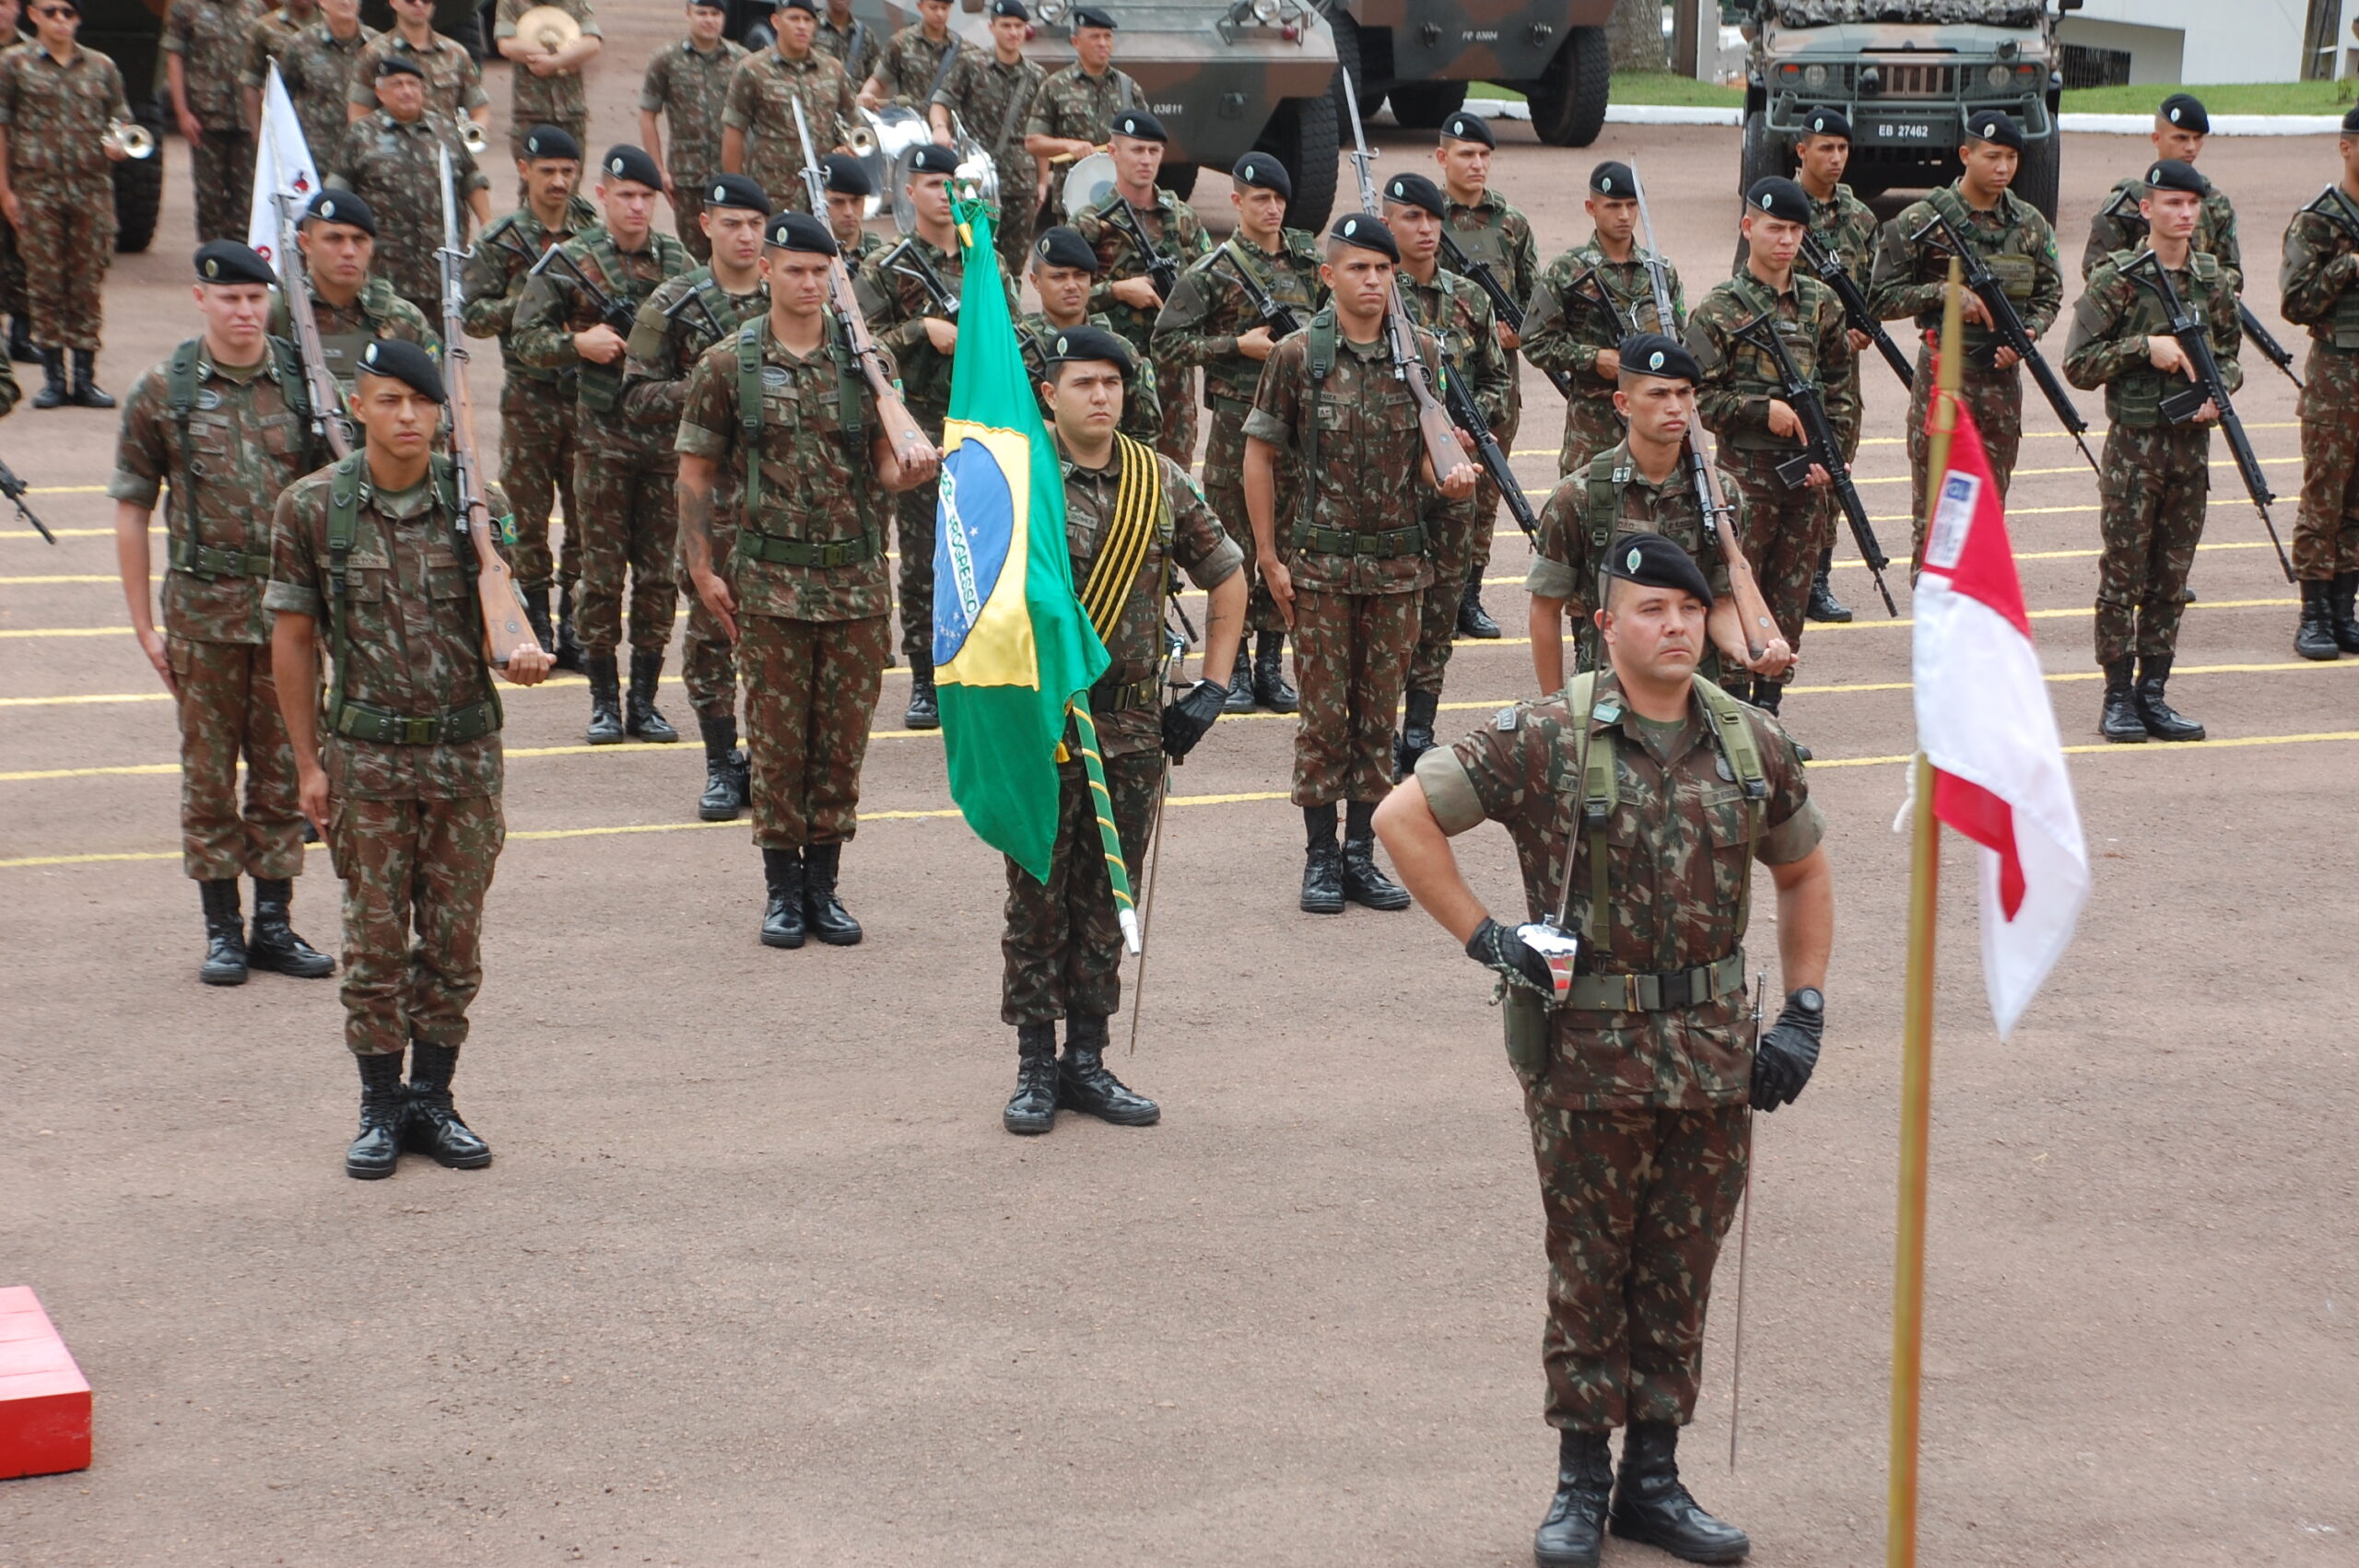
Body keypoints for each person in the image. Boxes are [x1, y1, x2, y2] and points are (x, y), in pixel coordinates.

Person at [1373, 531, 1832, 1568]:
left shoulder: (1750, 741)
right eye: (1650, 610)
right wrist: (1487, 937)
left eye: (1688, 610)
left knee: (1680, 1269)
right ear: (1605, 624)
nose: (1674, 627)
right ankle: (1580, 1481)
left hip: (1715, 1057)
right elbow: (1401, 817)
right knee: (1590, 1268)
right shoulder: (1545, 737)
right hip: (1587, 1059)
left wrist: (1803, 1009)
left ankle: (1654, 1482)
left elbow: (1802, 872)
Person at [266, 337, 556, 1179]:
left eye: (419, 403)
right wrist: (307, 764)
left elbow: (507, 610)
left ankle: (434, 1097)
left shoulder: (478, 502)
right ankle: (380, 1106)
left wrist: (523, 653)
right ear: (356, 407)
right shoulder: (314, 508)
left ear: (441, 412)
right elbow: (292, 641)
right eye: (388, 400)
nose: (405, 417)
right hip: (368, 763)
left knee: (454, 942)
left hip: (464, 759)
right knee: (375, 942)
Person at [997, 323, 1244, 1135]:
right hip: (1043, 722)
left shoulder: (1158, 479)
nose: (1101, 397)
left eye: (1112, 382)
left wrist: (1212, 684)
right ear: (1049, 394)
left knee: (1109, 895)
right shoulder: (1017, 478)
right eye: (1083, 383)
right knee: (1037, 897)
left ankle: (1088, 1061)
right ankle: (1036, 1065)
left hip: (1135, 725)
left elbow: (1227, 572)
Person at [675, 211, 935, 948]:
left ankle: (824, 886)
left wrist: (911, 469)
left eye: (822, 271)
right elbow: (695, 471)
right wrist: (699, 566)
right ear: (766, 271)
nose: (809, 282)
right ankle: (781, 892)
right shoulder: (729, 364)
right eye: (795, 269)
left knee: (841, 744)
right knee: (779, 742)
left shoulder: (866, 360)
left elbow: (883, 467)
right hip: (770, 583)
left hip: (853, 582)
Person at [110, 242, 332, 987]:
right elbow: (133, 508)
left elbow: (332, 500)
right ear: (200, 300)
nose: (244, 313)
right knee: (206, 778)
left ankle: (273, 922)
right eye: (229, 298)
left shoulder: (304, 386)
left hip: (285, 619)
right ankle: (221, 929)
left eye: (254, 299)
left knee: (283, 772)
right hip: (201, 619)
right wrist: (144, 621)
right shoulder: (164, 390)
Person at [1241, 214, 1477, 914]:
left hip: (1400, 570)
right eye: (1357, 268)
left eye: (1382, 269)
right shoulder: (1296, 356)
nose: (1372, 280)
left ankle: (1360, 857)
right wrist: (1267, 555)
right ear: (1328, 276)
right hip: (1319, 570)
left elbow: (1434, 468)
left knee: (1379, 719)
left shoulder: (1424, 357)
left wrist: (1452, 479)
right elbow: (1260, 453)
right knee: (1323, 720)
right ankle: (1319, 858)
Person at [511, 144, 694, 746]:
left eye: (646, 197)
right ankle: (602, 701)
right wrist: (578, 343)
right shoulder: (571, 261)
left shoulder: (676, 263)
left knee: (659, 578)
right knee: (598, 574)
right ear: (605, 195)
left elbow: (711, 336)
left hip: (664, 443)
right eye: (626, 196)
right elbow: (524, 341)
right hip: (602, 440)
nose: (637, 206)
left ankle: (644, 700)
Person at [2062, 158, 2237, 743]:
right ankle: (2117, 695)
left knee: (2171, 577)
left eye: (2192, 205)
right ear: (2147, 209)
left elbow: (2231, 356)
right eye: (2172, 203)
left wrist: (2218, 392)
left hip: (2191, 450)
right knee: (2124, 575)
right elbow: (2079, 364)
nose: (2184, 214)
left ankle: (2153, 692)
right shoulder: (2120, 277)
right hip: (2135, 451)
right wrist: (2145, 347)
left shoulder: (2211, 279)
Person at [620, 171, 770, 820]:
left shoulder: (785, 298)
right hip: (708, 495)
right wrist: (709, 389)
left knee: (779, 644)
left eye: (754, 225)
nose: (743, 235)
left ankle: (767, 763)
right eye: (731, 222)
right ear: (705, 225)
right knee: (711, 635)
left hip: (782, 498)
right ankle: (719, 762)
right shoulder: (672, 302)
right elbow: (633, 397)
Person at [1526, 333, 1789, 699]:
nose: (1676, 407)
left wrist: (1745, 649)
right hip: (1608, 696)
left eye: (1684, 393)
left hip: (1696, 694)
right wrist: (1555, 710)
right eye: (1658, 394)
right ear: (1623, 403)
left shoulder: (1720, 495)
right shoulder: (1580, 496)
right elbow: (1545, 609)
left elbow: (1721, 600)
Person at [1151, 150, 1320, 715]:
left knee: (1288, 539)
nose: (1271, 209)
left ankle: (1272, 661)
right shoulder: (1213, 271)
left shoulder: (1305, 261)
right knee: (1238, 541)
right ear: (1237, 202)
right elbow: (1166, 344)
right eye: (1260, 199)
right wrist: (1234, 347)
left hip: (1296, 424)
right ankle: (1239, 665)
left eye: (1278, 199)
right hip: (1237, 424)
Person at [1684, 175, 1854, 715]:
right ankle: (1732, 712)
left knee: (1791, 597)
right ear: (1748, 227)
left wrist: (1835, 459)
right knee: (1738, 594)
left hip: (1806, 482)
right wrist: (1763, 411)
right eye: (1774, 227)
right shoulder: (1718, 310)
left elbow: (1844, 394)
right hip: (1744, 481)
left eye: (1795, 230)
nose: (1785, 240)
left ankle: (1770, 713)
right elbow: (1697, 401)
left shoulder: (1822, 305)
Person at [854, 140, 1006, 728]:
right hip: (917, 424)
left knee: (981, 545)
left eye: (953, 185)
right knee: (924, 556)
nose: (944, 196)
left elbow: (1007, 325)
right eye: (931, 185)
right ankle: (925, 675)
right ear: (909, 191)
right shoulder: (886, 268)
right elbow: (861, 347)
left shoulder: (979, 258)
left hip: (976, 427)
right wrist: (920, 329)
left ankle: (974, 664)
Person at [1869, 109, 2061, 557]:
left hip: (2000, 386)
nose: (2003, 168)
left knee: (1987, 516)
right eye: (1992, 157)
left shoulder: (2030, 225)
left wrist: (2028, 333)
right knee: (1936, 517)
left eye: (2012, 158)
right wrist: (1944, 294)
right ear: (1965, 155)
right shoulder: (1919, 221)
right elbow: (1879, 299)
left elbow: (2049, 293)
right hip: (1943, 380)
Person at [1379, 169, 1508, 774]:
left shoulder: (1469, 298)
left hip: (1455, 479)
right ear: (1388, 223)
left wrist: (1467, 423)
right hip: (1387, 481)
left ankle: (1419, 730)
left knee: (1440, 607)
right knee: (1386, 609)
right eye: (1412, 217)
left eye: (1433, 218)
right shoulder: (1373, 293)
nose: (1426, 228)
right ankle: (1378, 727)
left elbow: (1497, 381)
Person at [462, 123, 596, 663]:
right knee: (528, 516)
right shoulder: (501, 241)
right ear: (524, 171)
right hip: (530, 397)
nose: (560, 182)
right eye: (548, 172)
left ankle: (578, 626)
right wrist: (523, 303)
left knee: (586, 514)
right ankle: (535, 618)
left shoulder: (589, 229)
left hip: (586, 392)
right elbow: (471, 315)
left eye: (568, 172)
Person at [0, 0, 135, 410]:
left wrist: (120, 146)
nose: (62, 19)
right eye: (52, 11)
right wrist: (5, 192)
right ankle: (53, 378)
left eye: (69, 13)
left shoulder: (102, 67)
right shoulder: (13, 65)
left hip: (90, 190)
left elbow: (121, 120)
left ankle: (84, 377)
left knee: (86, 283)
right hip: (37, 190)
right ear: (34, 15)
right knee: (43, 283)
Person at [1434, 108, 1534, 640]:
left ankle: (1469, 597)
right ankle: (1437, 597)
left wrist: (1519, 331)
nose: (1476, 164)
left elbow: (1534, 302)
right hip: (1437, 380)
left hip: (1495, 383)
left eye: (1483, 156)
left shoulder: (1511, 224)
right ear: (1442, 155)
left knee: (1488, 493)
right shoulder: (1426, 216)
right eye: (1466, 154)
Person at [1522, 161, 1684, 480]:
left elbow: (1680, 340)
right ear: (1591, 207)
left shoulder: (1660, 271)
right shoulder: (1567, 271)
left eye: (1631, 205)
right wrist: (1595, 358)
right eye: (1612, 206)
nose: (1623, 215)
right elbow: (1535, 341)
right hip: (1592, 430)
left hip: (1653, 425)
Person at [1071, 108, 1208, 465]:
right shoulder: (1090, 222)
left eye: (1153, 151)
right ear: (1113, 153)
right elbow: (1065, 298)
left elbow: (1211, 285)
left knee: (1173, 473)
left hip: (1173, 375)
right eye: (1136, 150)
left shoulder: (1182, 217)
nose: (1145, 160)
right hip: (1116, 371)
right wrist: (1118, 291)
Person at [1788, 107, 1877, 625]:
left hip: (1842, 373)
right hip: (1790, 366)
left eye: (1843, 148)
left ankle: (1818, 578)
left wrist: (1865, 326)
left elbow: (1871, 290)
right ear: (1802, 151)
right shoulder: (1780, 209)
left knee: (1837, 470)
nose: (1836, 158)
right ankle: (1784, 575)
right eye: (1826, 148)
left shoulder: (1860, 218)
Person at [2277, 106, 2359, 661]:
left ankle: (2343, 608)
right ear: (2346, 146)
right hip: (2338, 371)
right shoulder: (2320, 220)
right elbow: (2294, 301)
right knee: (2325, 493)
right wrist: (2349, 265)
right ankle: (2313, 612)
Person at [329, 54, 490, 321]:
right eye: (397, 84)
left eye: (413, 84)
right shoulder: (360, 134)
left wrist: (487, 223)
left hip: (439, 265)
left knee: (444, 348)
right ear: (380, 92)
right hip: (384, 268)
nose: (406, 91)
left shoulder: (445, 130)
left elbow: (471, 179)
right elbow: (338, 192)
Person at [271, 189, 440, 394]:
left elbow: (432, 405)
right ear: (306, 243)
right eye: (334, 239)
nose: (349, 252)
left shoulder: (404, 319)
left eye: (359, 240)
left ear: (371, 246)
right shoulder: (278, 314)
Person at [929, 0, 1043, 281]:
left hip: (1020, 180)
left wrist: (1043, 180)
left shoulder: (1037, 76)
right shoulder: (971, 64)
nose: (1013, 32)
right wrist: (940, 128)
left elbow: (1040, 133)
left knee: (1014, 264)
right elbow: (940, 102)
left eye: (1018, 26)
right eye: (1006, 25)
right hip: (975, 178)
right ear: (992, 27)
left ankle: (1009, 318)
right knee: (972, 253)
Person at [1018, 222, 1159, 442]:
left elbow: (1144, 433)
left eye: (1080, 275)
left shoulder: (1119, 349)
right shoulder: (1014, 348)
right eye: (1059, 277)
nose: (1072, 285)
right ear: (1036, 282)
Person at [2082, 93, 2240, 287]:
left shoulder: (2215, 204)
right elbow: (2095, 269)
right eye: (2181, 138)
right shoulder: (2126, 203)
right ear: (2156, 139)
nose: (2191, 147)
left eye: (2197, 138)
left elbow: (2232, 271)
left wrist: (2205, 289)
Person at [722, 0, 857, 215]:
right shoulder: (752, 69)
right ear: (776, 21)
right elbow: (734, 131)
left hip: (825, 195)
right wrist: (738, 192)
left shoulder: (832, 70)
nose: (802, 26)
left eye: (808, 20)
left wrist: (849, 147)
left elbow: (854, 119)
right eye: (794, 18)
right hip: (774, 195)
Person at [637, 0, 745, 262]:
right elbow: (647, 115)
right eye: (702, 13)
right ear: (688, 14)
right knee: (694, 257)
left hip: (734, 175)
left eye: (716, 14)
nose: (709, 20)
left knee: (735, 250)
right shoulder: (666, 60)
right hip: (688, 180)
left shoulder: (742, 61)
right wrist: (659, 170)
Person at [1022, 5, 1135, 226]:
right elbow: (1033, 142)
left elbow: (1148, 141)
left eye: (1107, 37)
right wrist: (1068, 145)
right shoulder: (1055, 86)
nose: (1103, 43)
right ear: (1076, 42)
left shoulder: (1128, 88)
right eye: (1094, 37)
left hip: (1122, 204)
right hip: (1073, 203)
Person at [163, 0, 259, 243]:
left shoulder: (254, 7)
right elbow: (175, 60)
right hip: (207, 118)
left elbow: (261, 63)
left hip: (247, 119)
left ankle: (240, 265)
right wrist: (182, 112)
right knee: (210, 201)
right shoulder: (185, 7)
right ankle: (212, 267)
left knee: (247, 200)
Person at [257, 0, 374, 183]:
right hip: (315, 161)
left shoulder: (376, 47)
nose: (346, 2)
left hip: (366, 159)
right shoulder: (300, 45)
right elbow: (279, 101)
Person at [343, 0, 487, 141]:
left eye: (426, 1)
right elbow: (358, 112)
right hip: (391, 155)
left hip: (444, 154)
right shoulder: (373, 54)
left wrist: (469, 139)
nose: (419, 4)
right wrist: (373, 147)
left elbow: (479, 107)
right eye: (410, 0)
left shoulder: (455, 53)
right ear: (393, 2)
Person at [493, 0, 599, 160]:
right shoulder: (512, 2)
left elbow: (592, 43)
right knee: (532, 180)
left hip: (570, 113)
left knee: (571, 177)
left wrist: (556, 61)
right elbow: (506, 44)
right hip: (530, 113)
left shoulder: (575, 3)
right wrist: (564, 55)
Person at [859, 0, 965, 111]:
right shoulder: (901, 42)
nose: (940, 14)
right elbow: (879, 81)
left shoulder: (962, 48)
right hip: (913, 122)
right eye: (934, 8)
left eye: (945, 8)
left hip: (950, 124)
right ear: (920, 6)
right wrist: (866, 94)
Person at [0, 0, 30, 366]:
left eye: (6, 3)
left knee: (25, 254)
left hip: (23, 167)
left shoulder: (32, 55)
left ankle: (22, 336)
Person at [240, 0, 321, 130]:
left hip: (326, 128)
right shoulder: (265, 27)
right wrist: (257, 134)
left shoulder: (333, 25)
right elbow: (251, 83)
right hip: (283, 126)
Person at [818, 150, 886, 268]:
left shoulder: (883, 257)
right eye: (837, 202)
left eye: (856, 201)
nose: (848, 212)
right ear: (821, 201)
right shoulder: (807, 257)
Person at [814, 0, 879, 93]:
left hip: (855, 103)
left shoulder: (866, 35)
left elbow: (876, 79)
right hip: (820, 101)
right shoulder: (811, 27)